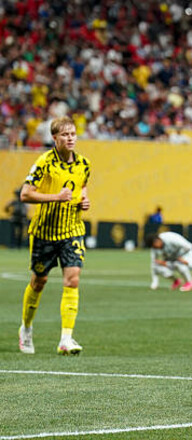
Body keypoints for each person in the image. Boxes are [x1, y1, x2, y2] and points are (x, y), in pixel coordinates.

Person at [17, 116, 91, 355]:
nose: (70, 138)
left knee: (73, 279)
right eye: (65, 134)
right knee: (39, 282)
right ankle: (26, 328)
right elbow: (25, 194)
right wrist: (56, 197)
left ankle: (66, 339)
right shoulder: (44, 163)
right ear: (55, 138)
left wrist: (84, 200)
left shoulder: (84, 164)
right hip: (45, 232)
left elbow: (82, 186)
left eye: (73, 134)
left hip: (72, 230)